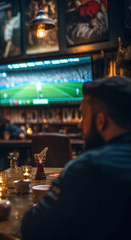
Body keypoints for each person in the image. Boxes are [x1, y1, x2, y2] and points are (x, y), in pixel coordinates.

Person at [21, 76, 131, 240]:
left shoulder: (87, 167)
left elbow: (33, 227)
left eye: (83, 116)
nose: (80, 124)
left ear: (101, 121)